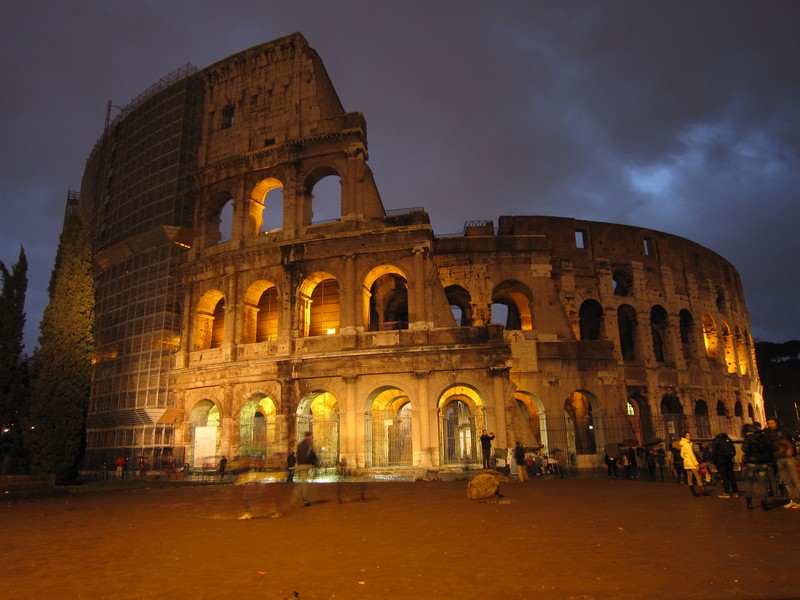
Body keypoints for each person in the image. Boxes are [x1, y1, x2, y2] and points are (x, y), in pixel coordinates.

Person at [742, 423, 773, 510]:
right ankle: (764, 503)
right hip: (763, 463)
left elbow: (745, 449)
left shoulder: (749, 438)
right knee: (763, 483)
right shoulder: (765, 437)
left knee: (749, 482)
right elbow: (771, 448)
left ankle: (749, 503)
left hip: (752, 463)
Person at [774, 427, 800, 509]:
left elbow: (790, 447)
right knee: (787, 482)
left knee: (795, 481)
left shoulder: (784, 440)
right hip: (780, 460)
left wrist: (789, 452)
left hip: (787, 459)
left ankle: (798, 500)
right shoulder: (775, 442)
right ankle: (793, 499)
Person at [292, 432, 317, 507]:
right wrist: (314, 463)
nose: (312, 438)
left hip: (300, 464)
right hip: (306, 465)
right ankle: (303, 500)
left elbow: (298, 455)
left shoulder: (300, 444)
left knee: (302, 483)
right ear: (309, 436)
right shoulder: (309, 444)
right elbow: (312, 454)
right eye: (311, 436)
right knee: (303, 484)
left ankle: (304, 500)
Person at [711, 432, 739, 498]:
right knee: (731, 477)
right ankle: (735, 492)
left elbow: (714, 452)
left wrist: (714, 461)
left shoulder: (716, 441)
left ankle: (727, 492)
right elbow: (733, 450)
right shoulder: (728, 439)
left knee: (724, 477)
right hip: (729, 460)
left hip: (720, 461)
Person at [679, 432, 705, 497]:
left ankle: (693, 493)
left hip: (687, 464)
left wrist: (686, 458)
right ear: (684, 436)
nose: (689, 437)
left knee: (689, 478)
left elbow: (681, 455)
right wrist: (696, 464)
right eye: (687, 435)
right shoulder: (687, 444)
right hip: (692, 463)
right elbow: (691, 455)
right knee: (698, 477)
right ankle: (703, 492)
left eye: (689, 435)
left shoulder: (683, 444)